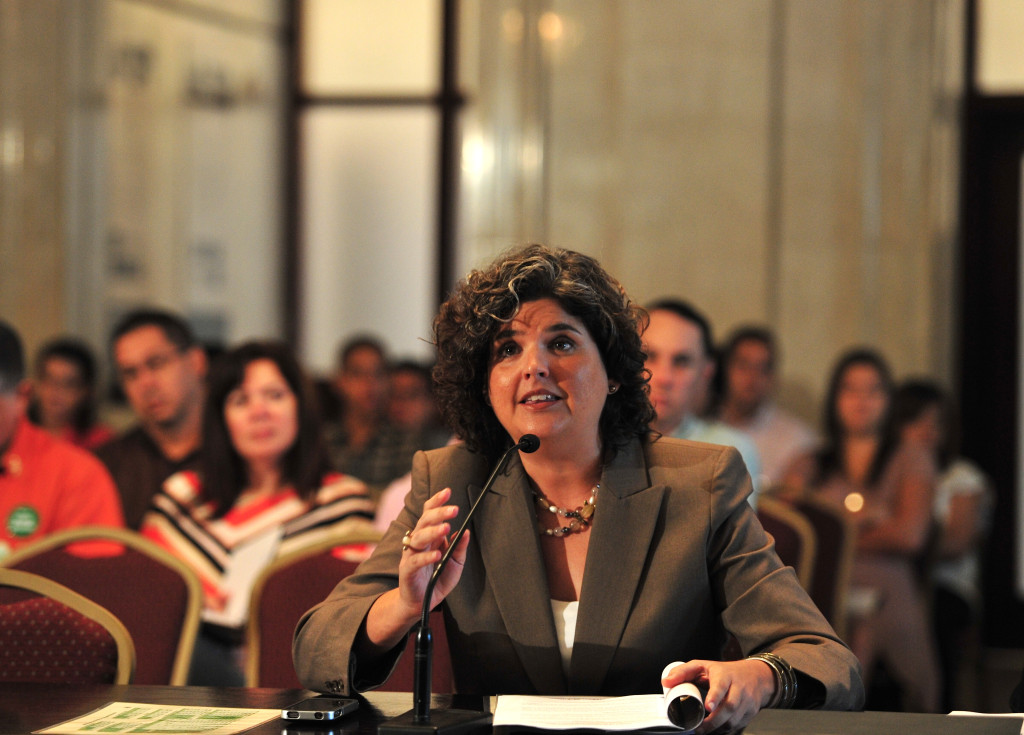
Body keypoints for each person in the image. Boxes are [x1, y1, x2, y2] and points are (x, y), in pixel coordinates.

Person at [294, 244, 863, 732]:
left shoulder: (699, 483)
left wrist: (757, 676)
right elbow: (316, 648)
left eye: (561, 343)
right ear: (483, 385)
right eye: (507, 350)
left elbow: (827, 661)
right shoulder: (453, 480)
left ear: (614, 371)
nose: (533, 367)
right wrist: (402, 605)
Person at [140, 340, 376, 685]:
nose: (259, 411)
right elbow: (147, 601)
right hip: (188, 681)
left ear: (301, 406)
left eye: (275, 395)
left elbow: (350, 614)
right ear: (221, 418)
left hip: (294, 679)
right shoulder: (181, 498)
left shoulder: (341, 502)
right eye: (240, 400)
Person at [782, 348, 940, 712]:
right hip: (821, 584)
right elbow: (791, 531)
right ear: (835, 397)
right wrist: (870, 522)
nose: (861, 401)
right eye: (850, 390)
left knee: (874, 613)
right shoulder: (810, 462)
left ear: (888, 399)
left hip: (888, 582)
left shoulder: (910, 457)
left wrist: (837, 533)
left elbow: (910, 535)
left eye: (873, 390)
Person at [892, 378, 992, 712]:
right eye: (916, 421)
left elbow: (958, 542)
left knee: (934, 614)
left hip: (944, 584)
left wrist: (904, 536)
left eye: (936, 423)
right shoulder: (887, 474)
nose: (927, 431)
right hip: (894, 580)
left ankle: (935, 712)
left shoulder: (962, 477)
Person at [0, 320, 124, 560]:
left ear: (21, 397)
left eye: (68, 384)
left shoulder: (77, 475)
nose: (56, 394)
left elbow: (92, 588)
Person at [642, 299, 762, 503]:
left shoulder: (727, 452)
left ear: (706, 372)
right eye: (648, 356)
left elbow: (732, 535)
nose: (664, 377)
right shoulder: (594, 442)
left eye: (681, 362)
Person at [97, 309, 207, 529]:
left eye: (156, 363)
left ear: (196, 361)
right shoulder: (107, 468)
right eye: (130, 373)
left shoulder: (244, 453)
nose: (146, 383)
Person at [716, 326, 817, 489]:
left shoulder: (797, 440)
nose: (752, 377)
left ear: (773, 376)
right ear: (726, 369)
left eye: (762, 368)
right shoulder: (703, 425)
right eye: (743, 365)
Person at [27, 337, 115, 451]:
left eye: (68, 384)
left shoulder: (101, 440)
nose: (56, 390)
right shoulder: (15, 432)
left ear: (86, 391)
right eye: (49, 380)